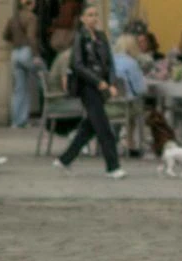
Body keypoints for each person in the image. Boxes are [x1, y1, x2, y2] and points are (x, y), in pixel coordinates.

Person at [53, 5, 125, 178]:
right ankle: (113, 166)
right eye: (90, 15)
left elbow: (110, 63)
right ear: (83, 19)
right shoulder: (80, 37)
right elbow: (77, 65)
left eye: (95, 15)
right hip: (88, 87)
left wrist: (112, 82)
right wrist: (97, 81)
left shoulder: (101, 37)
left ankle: (64, 160)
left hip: (101, 87)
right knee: (104, 127)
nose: (93, 18)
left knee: (90, 126)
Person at [4, 0, 40, 128]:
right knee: (39, 79)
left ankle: (16, 121)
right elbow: (31, 37)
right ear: (31, 4)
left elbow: (5, 35)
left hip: (15, 53)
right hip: (26, 51)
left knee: (19, 89)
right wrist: (36, 55)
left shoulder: (13, 18)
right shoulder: (31, 17)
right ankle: (26, 119)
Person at [113, 33, 148, 156]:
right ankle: (130, 142)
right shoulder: (131, 63)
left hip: (105, 104)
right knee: (135, 109)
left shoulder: (109, 61)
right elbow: (141, 89)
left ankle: (117, 140)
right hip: (124, 106)